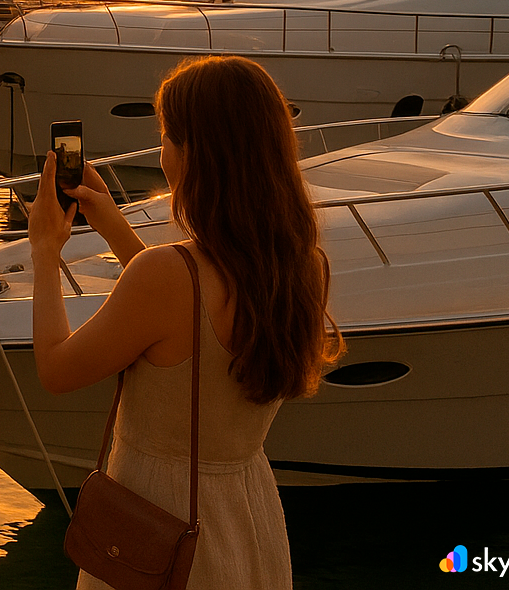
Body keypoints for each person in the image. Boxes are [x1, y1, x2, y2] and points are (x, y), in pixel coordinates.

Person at [27, 55, 344, 589]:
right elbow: (186, 314)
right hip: (246, 519)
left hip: (158, 529)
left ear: (197, 154)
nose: (162, 152)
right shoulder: (301, 265)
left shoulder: (165, 276)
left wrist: (43, 253)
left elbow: (56, 370)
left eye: (167, 138)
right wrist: (114, 227)